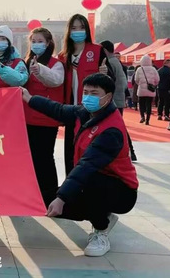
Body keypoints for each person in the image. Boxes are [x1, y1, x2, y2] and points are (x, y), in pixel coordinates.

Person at [22, 73, 138, 257]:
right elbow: (58, 109)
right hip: (95, 183)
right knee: (46, 202)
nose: (88, 97)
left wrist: (62, 198)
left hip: (121, 191)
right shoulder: (84, 114)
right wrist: (29, 98)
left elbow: (87, 165)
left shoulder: (111, 130)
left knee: (87, 182)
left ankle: (101, 230)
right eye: (86, 92)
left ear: (108, 97)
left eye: (94, 93)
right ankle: (103, 214)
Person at [59, 14, 107, 175]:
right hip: (71, 110)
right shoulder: (63, 56)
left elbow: (110, 82)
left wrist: (106, 73)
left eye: (81, 27)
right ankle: (69, 182)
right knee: (70, 150)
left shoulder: (97, 51)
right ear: (69, 31)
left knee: (88, 150)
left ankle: (87, 184)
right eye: (74, 28)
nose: (78, 31)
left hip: (91, 109)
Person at [23, 27, 64, 206]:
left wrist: (39, 69)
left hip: (47, 118)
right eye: (33, 41)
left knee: (45, 157)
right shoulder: (26, 62)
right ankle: (32, 193)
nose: (36, 44)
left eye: (40, 41)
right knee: (30, 157)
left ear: (48, 43)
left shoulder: (56, 64)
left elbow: (55, 80)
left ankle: (49, 195)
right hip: (27, 118)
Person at [100, 41, 137, 161]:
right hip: (119, 98)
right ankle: (129, 151)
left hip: (114, 99)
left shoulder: (110, 62)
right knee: (118, 126)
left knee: (117, 127)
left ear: (105, 50)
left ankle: (128, 151)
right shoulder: (116, 62)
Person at [134, 56, 160, 125]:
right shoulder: (153, 69)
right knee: (149, 105)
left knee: (141, 104)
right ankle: (147, 120)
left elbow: (136, 79)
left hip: (141, 90)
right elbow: (157, 79)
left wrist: (140, 84)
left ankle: (142, 116)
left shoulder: (139, 69)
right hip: (150, 90)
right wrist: (154, 84)